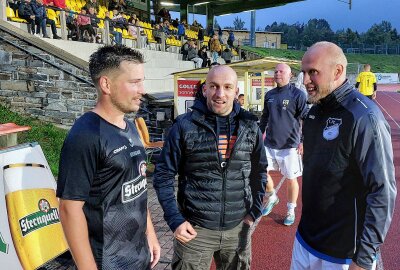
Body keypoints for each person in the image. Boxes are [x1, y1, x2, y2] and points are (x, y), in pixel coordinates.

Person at [292, 41, 396, 270]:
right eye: (304, 72)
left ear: (337, 71)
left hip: (343, 255)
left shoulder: (364, 118)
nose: (305, 80)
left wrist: (365, 257)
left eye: (313, 73)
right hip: (305, 240)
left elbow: (382, 191)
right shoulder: (314, 111)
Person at [153, 65, 267, 270]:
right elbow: (163, 174)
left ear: (236, 92)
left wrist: (255, 210)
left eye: (227, 87)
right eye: (214, 86)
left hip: (237, 229)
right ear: (205, 89)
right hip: (195, 231)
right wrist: (175, 219)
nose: (220, 94)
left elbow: (260, 171)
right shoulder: (184, 126)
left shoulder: (250, 126)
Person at [57, 45, 161, 270]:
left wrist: (150, 234)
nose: (142, 89)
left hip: (138, 254)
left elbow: (139, 185)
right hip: (107, 262)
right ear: (106, 84)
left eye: (141, 81)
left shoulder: (130, 126)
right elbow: (69, 209)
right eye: (134, 82)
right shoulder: (86, 135)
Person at [259, 63, 308, 226]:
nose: (277, 73)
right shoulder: (269, 95)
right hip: (269, 144)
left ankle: (290, 210)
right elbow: (264, 117)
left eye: (281, 71)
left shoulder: (298, 95)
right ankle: (272, 196)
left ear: (290, 75)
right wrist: (259, 136)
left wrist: (302, 141)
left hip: (290, 145)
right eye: (275, 71)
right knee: (260, 172)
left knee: (291, 178)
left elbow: (305, 119)